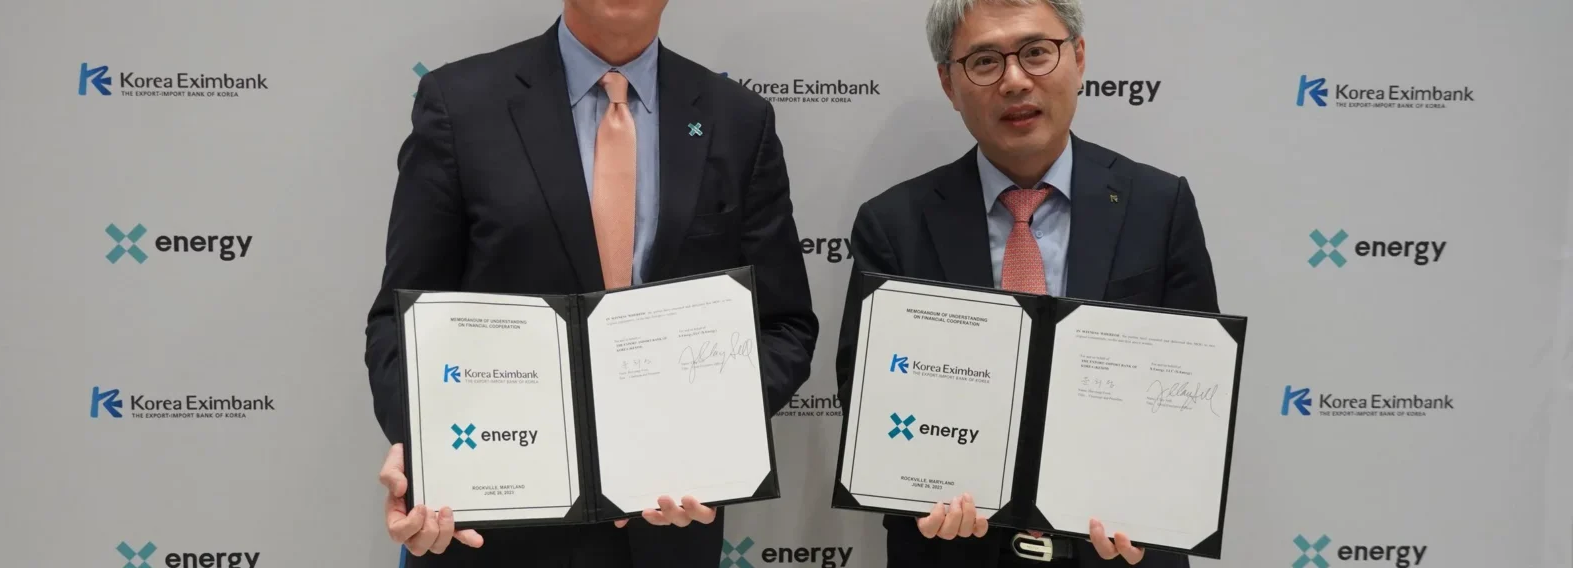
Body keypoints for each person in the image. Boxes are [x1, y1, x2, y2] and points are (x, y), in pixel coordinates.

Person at [362, 0, 820, 565]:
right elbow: (401, 320)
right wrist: (423, 451)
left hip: (667, 528)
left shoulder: (738, 120)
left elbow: (784, 326)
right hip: (492, 528)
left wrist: (707, 437)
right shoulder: (460, 103)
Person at [834, 0, 1218, 566]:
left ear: (1078, 56)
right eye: (985, 61)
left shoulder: (1160, 207)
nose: (1015, 81)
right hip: (954, 545)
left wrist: (1158, 506)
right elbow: (870, 400)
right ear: (948, 82)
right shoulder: (893, 224)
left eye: (1036, 53)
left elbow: (1196, 398)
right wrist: (916, 487)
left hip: (1121, 551)